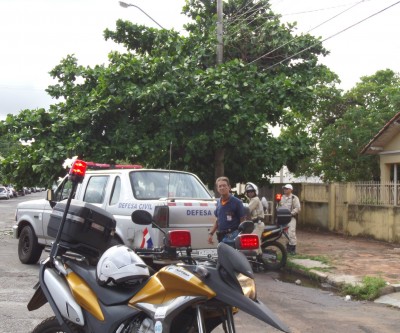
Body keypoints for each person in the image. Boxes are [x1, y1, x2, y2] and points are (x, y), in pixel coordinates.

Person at [208, 177, 247, 246]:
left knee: (229, 256)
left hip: (232, 236)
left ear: (229, 187)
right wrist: (211, 234)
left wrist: (240, 236)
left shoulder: (237, 202)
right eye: (220, 186)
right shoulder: (218, 202)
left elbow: (242, 220)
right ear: (217, 189)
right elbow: (218, 220)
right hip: (221, 236)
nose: (222, 188)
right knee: (222, 256)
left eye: (224, 185)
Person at [278, 184, 301, 255]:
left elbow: (298, 208)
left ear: (291, 190)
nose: (285, 190)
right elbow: (278, 207)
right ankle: (288, 248)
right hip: (283, 218)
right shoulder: (281, 198)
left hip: (291, 218)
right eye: (284, 188)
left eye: (287, 189)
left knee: (291, 232)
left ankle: (292, 249)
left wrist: (291, 213)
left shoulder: (294, 198)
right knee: (285, 234)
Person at [244, 182, 265, 256]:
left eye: (251, 191)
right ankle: (260, 258)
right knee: (257, 242)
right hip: (256, 223)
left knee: (253, 242)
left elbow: (247, 209)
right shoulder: (253, 200)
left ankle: (253, 259)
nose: (250, 193)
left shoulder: (255, 199)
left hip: (258, 223)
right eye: (248, 192)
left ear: (255, 192)